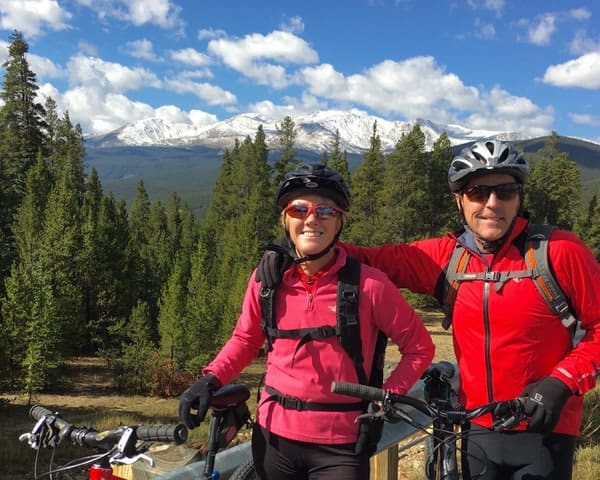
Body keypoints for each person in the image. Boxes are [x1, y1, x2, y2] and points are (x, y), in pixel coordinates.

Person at [257, 140, 600, 480]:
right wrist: (291, 251)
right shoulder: (447, 257)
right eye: (478, 192)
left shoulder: (559, 252)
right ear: (459, 200)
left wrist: (562, 381)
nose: (492, 204)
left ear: (519, 196)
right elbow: (369, 258)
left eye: (505, 191)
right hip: (476, 428)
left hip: (545, 427)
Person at [178, 163, 435, 480]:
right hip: (273, 439)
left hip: (341, 447)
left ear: (340, 220)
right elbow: (246, 339)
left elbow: (419, 347)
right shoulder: (267, 281)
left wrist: (384, 399)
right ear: (285, 219)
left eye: (325, 210)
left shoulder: (370, 285)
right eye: (299, 209)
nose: (311, 219)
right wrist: (210, 379)